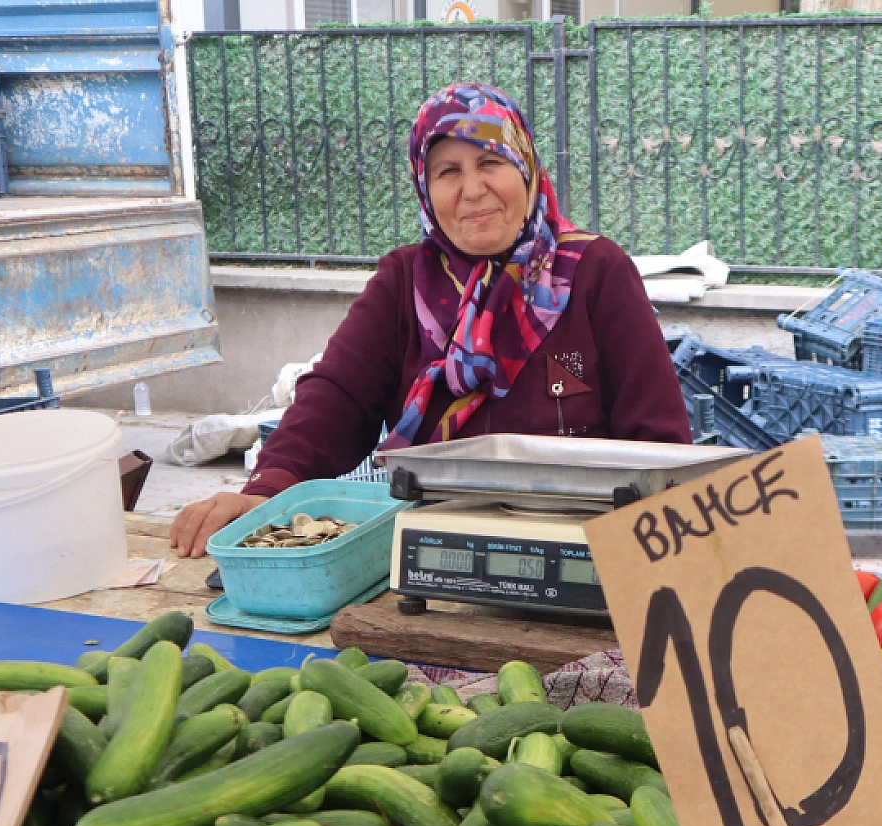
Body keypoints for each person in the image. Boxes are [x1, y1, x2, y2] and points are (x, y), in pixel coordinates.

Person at [172, 82, 692, 558]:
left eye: (490, 161)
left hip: (580, 556)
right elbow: (336, 396)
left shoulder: (595, 272)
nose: (473, 189)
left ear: (526, 167)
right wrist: (266, 490)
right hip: (435, 555)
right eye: (448, 172)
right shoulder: (404, 282)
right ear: (425, 188)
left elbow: (660, 441)